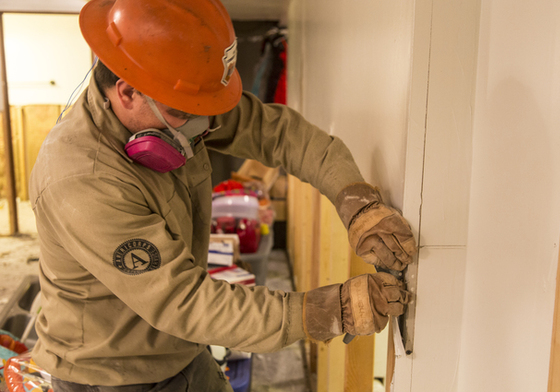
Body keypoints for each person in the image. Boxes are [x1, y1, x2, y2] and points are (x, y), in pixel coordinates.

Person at [28, 0, 417, 390]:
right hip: (110, 376)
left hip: (184, 349)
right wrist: (327, 311)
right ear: (128, 92)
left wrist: (357, 203)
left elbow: (279, 134)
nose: (206, 123)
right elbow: (183, 301)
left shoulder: (174, 102)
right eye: (186, 112)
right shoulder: (82, 178)